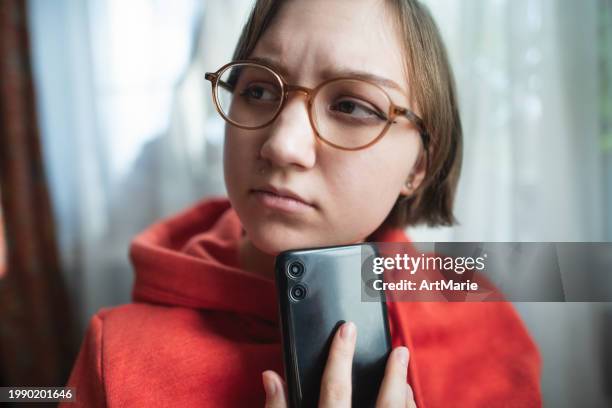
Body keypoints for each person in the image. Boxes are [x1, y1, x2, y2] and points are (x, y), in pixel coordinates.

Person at [63, 0, 541, 406]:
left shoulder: (484, 325)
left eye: (351, 105)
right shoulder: (116, 352)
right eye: (259, 90)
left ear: (418, 166)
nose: (282, 145)